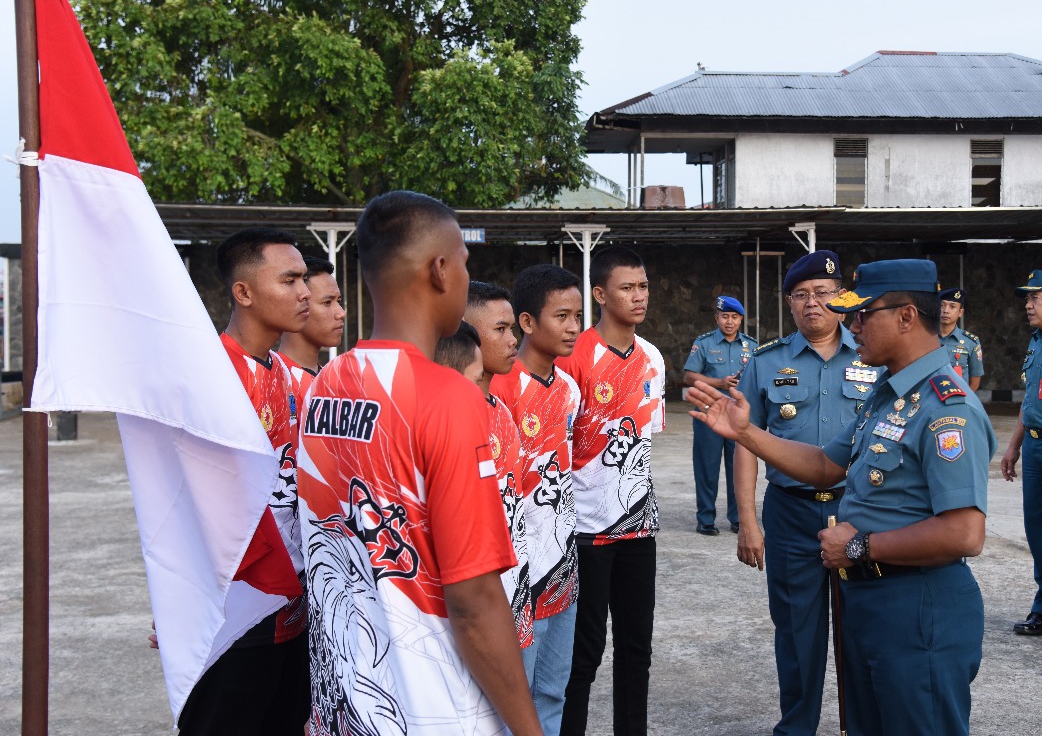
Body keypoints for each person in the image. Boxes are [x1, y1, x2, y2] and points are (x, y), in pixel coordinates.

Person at [686, 259, 995, 736]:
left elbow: (964, 532)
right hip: (869, 598)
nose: (851, 325)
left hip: (916, 607)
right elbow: (825, 465)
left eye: (862, 314)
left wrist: (858, 546)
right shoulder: (888, 396)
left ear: (907, 317)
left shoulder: (945, 407)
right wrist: (746, 433)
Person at [296, 191, 541, 736]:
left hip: (347, 702)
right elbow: (474, 600)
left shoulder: (327, 384)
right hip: (431, 708)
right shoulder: (449, 397)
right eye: (464, 262)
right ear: (439, 270)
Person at [177, 227, 313, 735]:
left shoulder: (283, 371)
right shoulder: (211, 375)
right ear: (244, 292)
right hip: (233, 608)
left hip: (292, 605)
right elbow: (188, 501)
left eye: (304, 279)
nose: (304, 292)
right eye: (290, 279)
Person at [733, 250, 873, 735]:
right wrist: (748, 520)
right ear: (789, 303)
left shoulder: (874, 358)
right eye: (801, 295)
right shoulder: (766, 362)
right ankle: (797, 727)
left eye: (823, 293)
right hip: (790, 514)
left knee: (862, 631)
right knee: (797, 634)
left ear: (842, 299)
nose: (812, 303)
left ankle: (860, 725)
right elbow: (747, 443)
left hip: (858, 511)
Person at [556, 247, 665, 736]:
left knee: (637, 650)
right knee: (583, 657)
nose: (638, 296)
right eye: (627, 287)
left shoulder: (653, 359)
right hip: (584, 531)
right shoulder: (572, 358)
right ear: (600, 294)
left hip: (638, 525)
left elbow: (644, 439)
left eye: (643, 286)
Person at [490, 263, 582, 736]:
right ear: (527, 323)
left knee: (552, 689)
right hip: (515, 572)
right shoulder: (498, 388)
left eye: (578, 316)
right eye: (561, 316)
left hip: (562, 563)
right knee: (512, 695)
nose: (573, 328)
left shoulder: (569, 389)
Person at [464, 283, 536, 673]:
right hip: (477, 604)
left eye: (513, 329)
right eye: (500, 329)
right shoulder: (450, 417)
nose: (513, 340)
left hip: (516, 590)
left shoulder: (503, 413)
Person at [683, 296, 756, 534]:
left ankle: (737, 519)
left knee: (740, 467)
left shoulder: (751, 346)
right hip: (709, 413)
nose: (729, 321)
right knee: (707, 467)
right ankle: (705, 519)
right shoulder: (704, 344)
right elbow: (690, 376)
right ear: (717, 318)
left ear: (741, 320)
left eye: (734, 317)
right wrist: (719, 383)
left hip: (738, 417)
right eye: (725, 316)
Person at [1002, 269, 1042, 635]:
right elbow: (1028, 399)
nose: (1028, 305)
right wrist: (1014, 445)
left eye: (1035, 297)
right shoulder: (1036, 341)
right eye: (1027, 298)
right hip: (1034, 444)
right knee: (1036, 529)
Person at [278, 255, 346, 407]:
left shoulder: (335, 382)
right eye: (327, 302)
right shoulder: (273, 381)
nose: (341, 313)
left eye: (338, 301)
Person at [938, 287, 984, 392]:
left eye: (952, 307)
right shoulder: (926, 338)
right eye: (942, 305)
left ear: (960, 312)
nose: (946, 311)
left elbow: (975, 382)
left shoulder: (970, 342)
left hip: (957, 402)